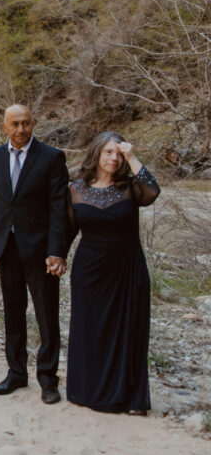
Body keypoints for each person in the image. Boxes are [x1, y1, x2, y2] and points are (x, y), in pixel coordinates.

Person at [0, 105, 69, 405]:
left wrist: (57, 251)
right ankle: (16, 373)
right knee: (12, 313)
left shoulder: (52, 157)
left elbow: (59, 208)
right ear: (4, 126)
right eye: (15, 124)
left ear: (34, 124)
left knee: (46, 315)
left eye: (26, 123)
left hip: (41, 250)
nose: (21, 129)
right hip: (6, 247)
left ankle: (48, 379)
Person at [66, 133, 159, 415]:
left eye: (118, 154)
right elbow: (68, 229)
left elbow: (153, 192)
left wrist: (132, 157)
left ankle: (128, 397)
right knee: (89, 329)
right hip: (89, 269)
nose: (114, 158)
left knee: (128, 329)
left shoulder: (131, 187)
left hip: (127, 268)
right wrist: (55, 255)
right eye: (108, 152)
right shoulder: (76, 189)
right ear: (96, 154)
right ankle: (88, 390)